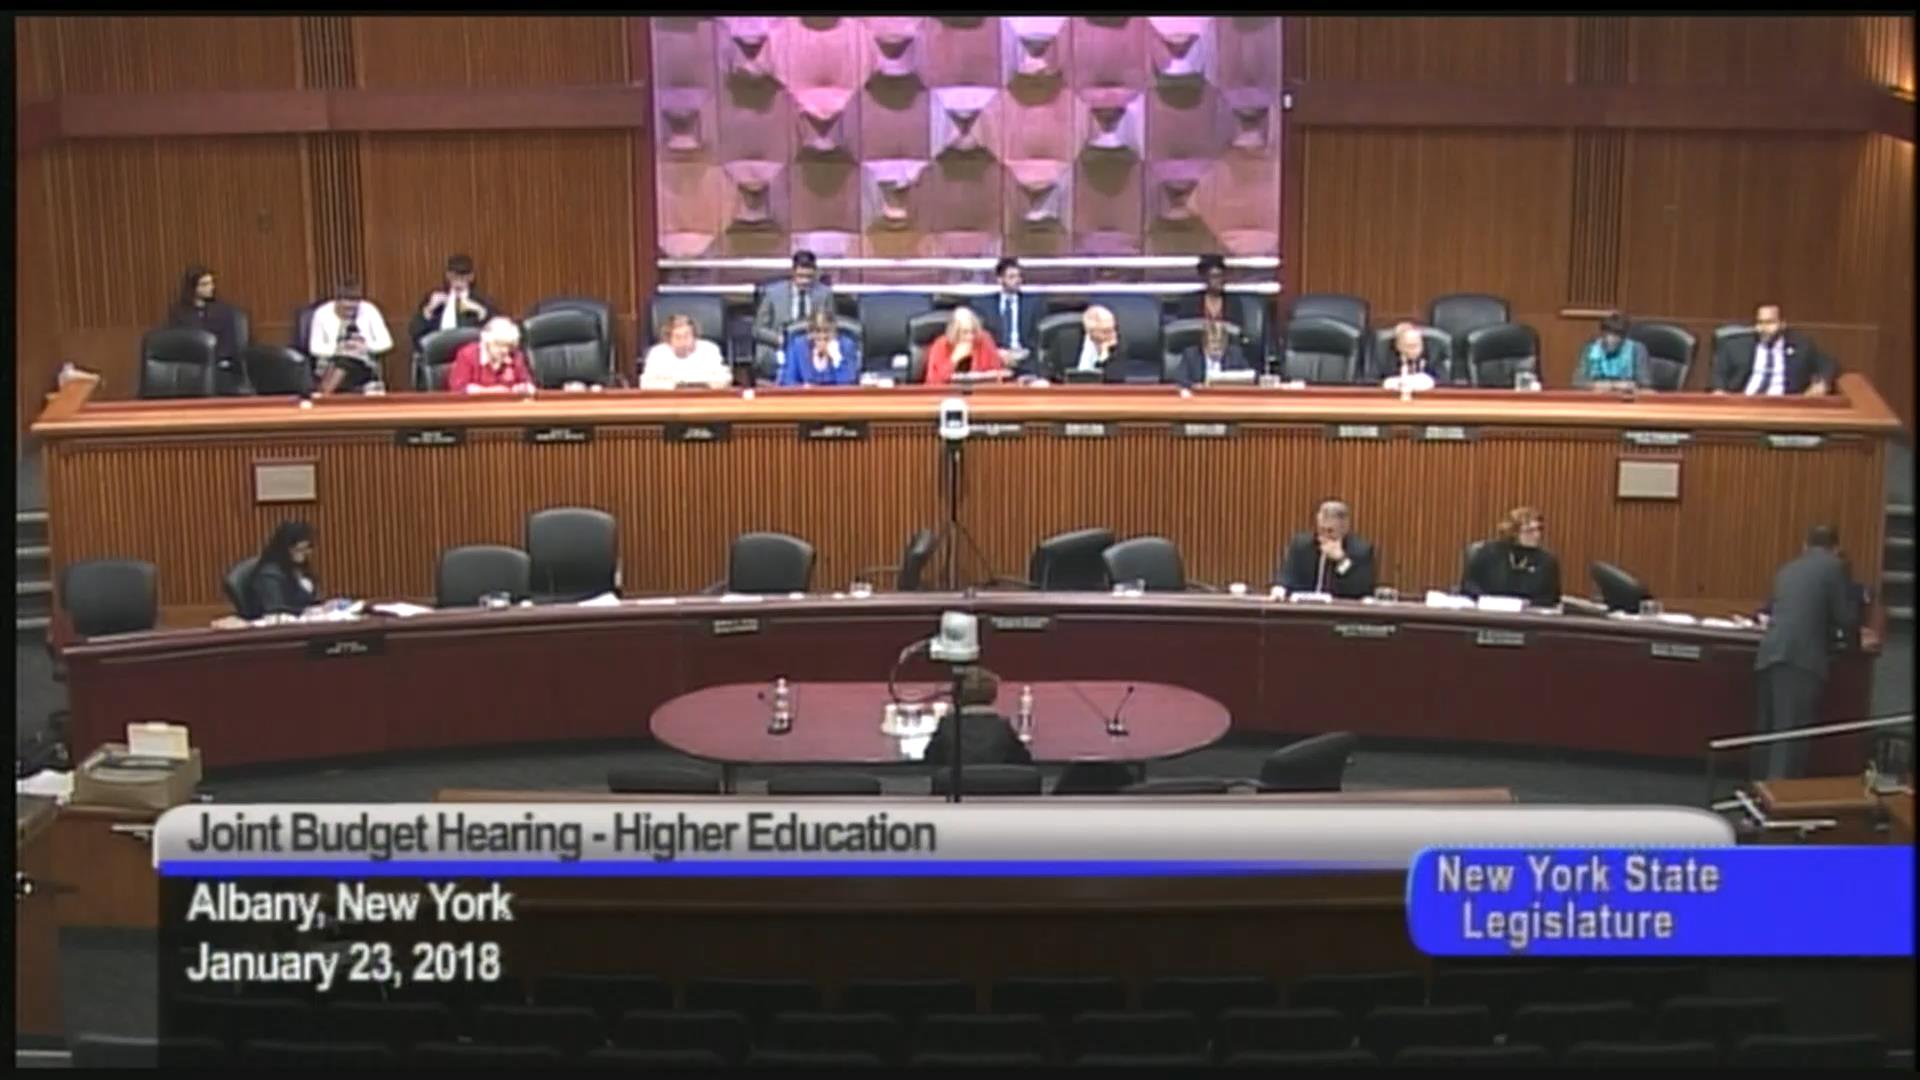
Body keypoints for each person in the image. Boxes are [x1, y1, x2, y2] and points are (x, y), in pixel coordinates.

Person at [1751, 525, 1862, 780]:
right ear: (1836, 548)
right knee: (1789, 739)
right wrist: (1853, 648)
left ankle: (1756, 793)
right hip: (1801, 661)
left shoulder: (1788, 569)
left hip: (1768, 654)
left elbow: (1769, 609)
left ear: (1805, 545)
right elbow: (1846, 618)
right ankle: (1779, 798)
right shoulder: (1835, 567)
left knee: (1766, 733)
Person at [1710, 303, 1835, 397]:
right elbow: (1718, 373)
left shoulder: (1801, 346)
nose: (1763, 328)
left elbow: (1829, 364)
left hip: (1784, 407)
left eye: (1770, 323)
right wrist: (1719, 390)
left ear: (1782, 324)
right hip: (1745, 402)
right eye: (1760, 322)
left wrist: (1822, 383)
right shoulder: (1736, 346)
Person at [923, 666, 1033, 768]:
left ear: (956, 694)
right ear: (993, 695)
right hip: (994, 782)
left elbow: (929, 764)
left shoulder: (946, 727)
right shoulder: (1002, 728)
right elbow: (1024, 763)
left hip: (955, 783)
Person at [1275, 499, 1378, 599]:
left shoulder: (1360, 551)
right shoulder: (1301, 545)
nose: (1323, 536)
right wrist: (1280, 588)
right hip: (1305, 606)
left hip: (1339, 608)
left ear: (1344, 528)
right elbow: (1287, 577)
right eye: (1320, 529)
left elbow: (1360, 590)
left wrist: (1341, 560)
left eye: (1330, 531)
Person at [308, 276, 394, 394]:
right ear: (337, 302)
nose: (350, 313)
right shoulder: (322, 313)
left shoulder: (370, 310)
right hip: (329, 362)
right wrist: (340, 350)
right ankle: (326, 393)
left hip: (363, 362)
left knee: (346, 362)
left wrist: (365, 347)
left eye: (353, 309)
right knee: (343, 361)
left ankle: (323, 394)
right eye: (346, 309)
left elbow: (387, 342)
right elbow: (315, 347)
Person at [1463, 507, 1563, 607]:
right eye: (1530, 531)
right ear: (1514, 532)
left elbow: (1551, 597)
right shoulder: (1487, 553)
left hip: (1530, 613)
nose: (1537, 535)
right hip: (1490, 611)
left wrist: (1528, 604)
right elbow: (1470, 586)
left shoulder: (1547, 560)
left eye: (1539, 529)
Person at [167, 265, 245, 392]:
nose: (210, 287)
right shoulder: (179, 314)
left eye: (211, 283)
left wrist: (214, 361)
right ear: (193, 288)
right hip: (191, 369)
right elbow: (178, 345)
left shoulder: (224, 312)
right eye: (204, 284)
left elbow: (229, 345)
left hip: (219, 369)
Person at [755, 250, 834, 368]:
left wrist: (817, 340)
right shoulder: (772, 293)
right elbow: (758, 329)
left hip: (812, 346)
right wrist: (779, 339)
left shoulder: (824, 294)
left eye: (809, 277)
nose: (804, 281)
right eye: (800, 276)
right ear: (792, 272)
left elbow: (831, 326)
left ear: (815, 274)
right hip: (780, 345)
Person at [407, 254, 498, 347]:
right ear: (447, 276)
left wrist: (482, 313)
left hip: (469, 350)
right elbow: (414, 331)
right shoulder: (434, 297)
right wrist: (429, 309)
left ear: (471, 277)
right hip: (437, 350)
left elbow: (498, 332)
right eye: (454, 276)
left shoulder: (482, 301)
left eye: (463, 276)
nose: (458, 280)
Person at [969, 256, 1042, 366]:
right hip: (995, 359)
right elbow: (980, 337)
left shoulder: (1034, 304)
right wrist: (997, 353)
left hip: (1025, 359)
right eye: (1011, 277)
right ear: (1000, 279)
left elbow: (1037, 338)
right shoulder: (983, 305)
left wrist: (1024, 353)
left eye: (1019, 276)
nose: (1017, 281)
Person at [639, 313, 732, 390]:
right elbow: (646, 383)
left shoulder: (709, 350)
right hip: (669, 400)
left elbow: (725, 379)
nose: (683, 341)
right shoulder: (657, 353)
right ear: (668, 340)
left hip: (704, 399)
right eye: (677, 337)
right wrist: (675, 386)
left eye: (687, 336)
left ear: (695, 336)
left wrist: (699, 385)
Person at [245, 520, 318, 618]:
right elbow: (275, 610)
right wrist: (308, 611)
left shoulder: (299, 570)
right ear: (285, 548)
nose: (305, 553)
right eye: (299, 549)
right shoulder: (269, 575)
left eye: (308, 548)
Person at [448, 317, 535, 394]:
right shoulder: (467, 355)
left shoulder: (515, 355)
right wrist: (489, 391)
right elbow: (458, 389)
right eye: (499, 344)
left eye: (508, 345)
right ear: (487, 342)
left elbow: (529, 385)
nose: (504, 350)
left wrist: (522, 388)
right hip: (475, 405)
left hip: (508, 405)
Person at [924, 306, 1006, 386]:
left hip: (980, 391)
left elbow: (997, 373)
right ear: (954, 332)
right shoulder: (940, 345)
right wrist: (954, 359)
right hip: (949, 392)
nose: (970, 337)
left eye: (973, 331)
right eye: (965, 332)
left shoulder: (984, 340)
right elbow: (933, 382)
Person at [777, 309, 861, 387]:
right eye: (817, 332)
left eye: (827, 332)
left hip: (836, 397)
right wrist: (803, 388)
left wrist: (837, 360)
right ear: (809, 333)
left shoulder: (846, 346)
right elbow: (788, 382)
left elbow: (849, 386)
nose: (822, 337)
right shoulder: (798, 346)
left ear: (834, 332)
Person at [1572, 312, 1651, 392]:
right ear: (1602, 333)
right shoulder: (1590, 348)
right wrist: (1595, 385)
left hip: (1626, 395)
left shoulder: (1637, 349)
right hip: (1598, 395)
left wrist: (1630, 386)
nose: (1611, 340)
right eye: (1607, 334)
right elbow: (1578, 381)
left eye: (1617, 335)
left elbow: (1645, 383)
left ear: (1624, 336)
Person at [1046, 304, 1127, 381]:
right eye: (1106, 331)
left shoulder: (1118, 346)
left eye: (1113, 329)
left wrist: (1103, 357)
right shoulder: (1065, 341)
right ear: (1090, 331)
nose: (1113, 334)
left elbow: (1115, 380)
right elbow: (1049, 370)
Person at [1175, 318, 1252, 388]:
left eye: (1220, 341)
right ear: (1205, 342)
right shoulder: (1191, 355)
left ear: (1226, 343)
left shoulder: (1235, 354)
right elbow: (1180, 379)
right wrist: (1194, 386)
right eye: (1213, 341)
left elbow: (1249, 377)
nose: (1217, 346)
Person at [1173, 253, 1234, 324]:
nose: (1220, 280)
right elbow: (1183, 327)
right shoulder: (1190, 302)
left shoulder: (1234, 302)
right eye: (1215, 276)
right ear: (1205, 278)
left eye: (1222, 276)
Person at [1379, 322, 1441, 391]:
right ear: (1398, 346)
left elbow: (1442, 382)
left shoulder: (1433, 358)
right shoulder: (1386, 360)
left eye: (1417, 345)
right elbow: (1378, 382)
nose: (1414, 350)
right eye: (1409, 346)